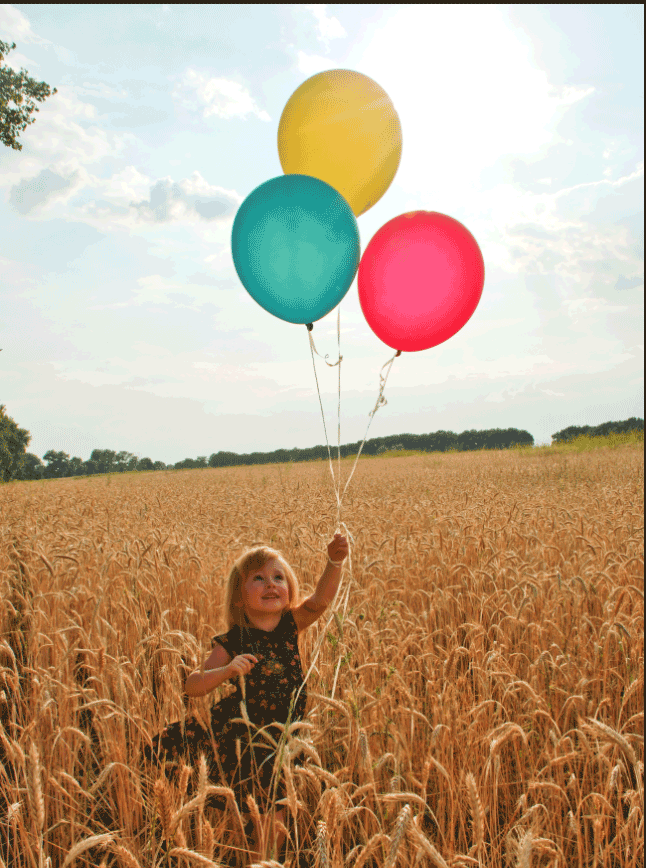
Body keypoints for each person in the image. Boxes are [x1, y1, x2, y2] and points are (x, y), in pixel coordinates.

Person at [144, 532, 349, 864]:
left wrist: (335, 561)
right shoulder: (233, 640)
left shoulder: (290, 625)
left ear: (289, 589)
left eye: (278, 577)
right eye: (258, 578)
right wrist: (226, 671)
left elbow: (320, 601)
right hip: (245, 739)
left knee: (273, 820)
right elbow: (192, 685)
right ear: (239, 597)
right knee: (264, 815)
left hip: (283, 737)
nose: (271, 584)